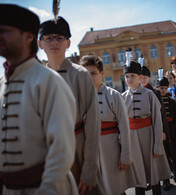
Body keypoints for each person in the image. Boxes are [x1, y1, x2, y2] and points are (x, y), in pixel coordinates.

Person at [0, 4, 78, 195]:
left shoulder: (48, 81)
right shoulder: (2, 83)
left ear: (28, 37)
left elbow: (62, 149)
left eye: (4, 31)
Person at [38, 17, 104, 195]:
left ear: (68, 43)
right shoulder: (36, 77)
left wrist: (90, 168)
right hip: (46, 155)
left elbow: (92, 121)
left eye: (59, 38)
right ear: (40, 43)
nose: (54, 42)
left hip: (78, 149)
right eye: (49, 38)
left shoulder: (80, 74)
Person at [80, 54, 139, 195]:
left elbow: (124, 128)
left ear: (102, 73)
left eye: (93, 73)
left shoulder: (113, 95)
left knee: (115, 188)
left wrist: (125, 155)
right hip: (88, 153)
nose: (89, 77)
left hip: (110, 151)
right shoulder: (79, 97)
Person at [122, 59, 171, 195]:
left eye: (133, 75)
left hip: (149, 137)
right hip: (133, 140)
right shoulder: (122, 97)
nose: (130, 79)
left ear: (140, 77)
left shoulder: (150, 95)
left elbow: (157, 120)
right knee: (138, 174)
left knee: (153, 172)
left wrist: (157, 145)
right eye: (127, 76)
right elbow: (122, 125)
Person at [157, 76, 176, 185]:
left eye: (165, 88)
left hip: (172, 129)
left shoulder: (171, 101)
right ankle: (168, 173)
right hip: (162, 130)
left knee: (174, 151)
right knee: (165, 152)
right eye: (161, 88)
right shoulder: (156, 101)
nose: (163, 90)